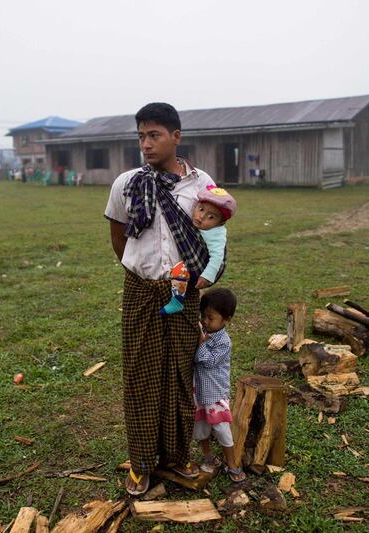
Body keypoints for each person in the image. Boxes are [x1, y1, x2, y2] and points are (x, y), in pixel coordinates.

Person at [105, 102, 216, 496]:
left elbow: (215, 234)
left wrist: (204, 275)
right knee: (140, 377)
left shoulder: (202, 185)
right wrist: (141, 272)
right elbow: (119, 235)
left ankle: (175, 457)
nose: (146, 144)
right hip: (141, 292)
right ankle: (141, 464)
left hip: (184, 293)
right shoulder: (127, 183)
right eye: (141, 136)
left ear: (176, 137)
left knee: (180, 374)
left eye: (154, 135)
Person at [193, 288, 246, 483]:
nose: (205, 321)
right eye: (203, 316)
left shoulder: (224, 342)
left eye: (210, 318)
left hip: (215, 394)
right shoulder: (203, 331)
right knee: (201, 427)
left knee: (222, 429)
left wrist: (201, 344)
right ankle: (208, 456)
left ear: (227, 319)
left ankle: (231, 463)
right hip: (199, 392)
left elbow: (206, 360)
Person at [160, 185, 236, 315]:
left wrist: (207, 275)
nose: (201, 217)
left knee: (179, 270)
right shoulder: (193, 220)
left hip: (200, 266)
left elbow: (217, 256)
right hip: (189, 259)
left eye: (211, 217)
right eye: (201, 209)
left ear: (221, 222)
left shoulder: (216, 235)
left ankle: (177, 301)